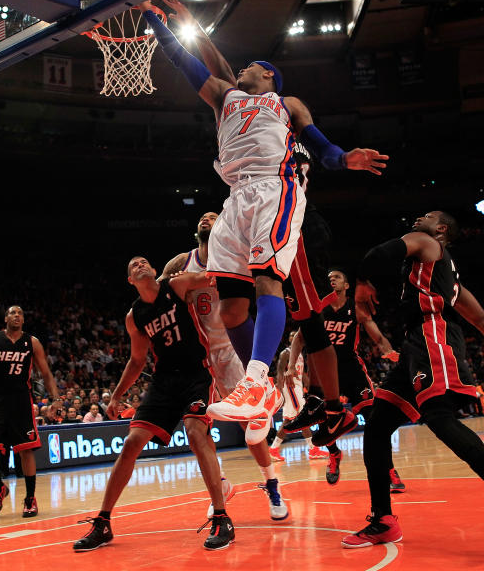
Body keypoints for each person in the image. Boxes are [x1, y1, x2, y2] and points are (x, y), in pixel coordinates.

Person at [141, 0, 386, 432]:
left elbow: (324, 147)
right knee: (231, 310)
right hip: (234, 198)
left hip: (275, 190)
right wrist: (152, 15)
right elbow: (183, 59)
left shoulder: (287, 103)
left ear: (268, 73)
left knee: (272, 282)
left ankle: (260, 383)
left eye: (248, 67)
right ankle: (267, 388)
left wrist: (346, 158)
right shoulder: (223, 94)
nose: (239, 71)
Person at [342, 211, 484, 548]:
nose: (420, 216)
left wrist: (362, 281)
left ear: (441, 229)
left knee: (438, 416)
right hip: (412, 347)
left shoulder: (425, 242)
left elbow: (377, 255)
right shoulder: (448, 279)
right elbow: (483, 318)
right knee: (377, 427)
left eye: (429, 215)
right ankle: (383, 520)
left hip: (430, 335)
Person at [72, 256, 235, 552]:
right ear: (130, 281)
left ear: (155, 271)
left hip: (196, 373)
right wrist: (118, 394)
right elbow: (137, 360)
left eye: (144, 261)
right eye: (133, 265)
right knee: (132, 442)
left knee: (196, 432)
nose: (140, 265)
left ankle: (222, 517)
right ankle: (103, 521)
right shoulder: (134, 316)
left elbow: (212, 276)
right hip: (163, 383)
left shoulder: (176, 285)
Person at [160, 211, 288, 520]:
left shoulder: (236, 256)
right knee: (195, 429)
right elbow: (157, 300)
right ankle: (220, 486)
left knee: (249, 429)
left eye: (214, 215)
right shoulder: (180, 263)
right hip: (198, 356)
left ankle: (271, 483)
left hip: (232, 351)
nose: (206, 217)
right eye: (203, 216)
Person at [303, 269, 404, 488]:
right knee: (321, 424)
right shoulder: (320, 308)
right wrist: (293, 364)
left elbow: (376, 335)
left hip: (352, 370)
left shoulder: (355, 307)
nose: (332, 279)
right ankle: (334, 454)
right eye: (329, 277)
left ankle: (389, 469)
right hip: (325, 372)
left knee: (375, 420)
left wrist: (388, 351)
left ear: (347, 285)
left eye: (337, 277)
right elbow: (302, 337)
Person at [0, 306, 59, 518]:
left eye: (20, 314)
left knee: (26, 450)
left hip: (21, 401)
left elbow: (46, 373)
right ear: (6, 318)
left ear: (24, 320)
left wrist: (57, 399)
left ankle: (30, 498)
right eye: (12, 313)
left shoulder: (32, 342)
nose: (16, 316)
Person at [268, 333, 325, 461]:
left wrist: (311, 386)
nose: (293, 337)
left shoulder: (299, 355)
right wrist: (281, 391)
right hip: (290, 387)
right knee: (302, 417)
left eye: (296, 335)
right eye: (291, 336)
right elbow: (280, 372)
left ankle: (273, 449)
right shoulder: (285, 353)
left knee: (290, 420)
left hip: (297, 387)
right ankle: (313, 449)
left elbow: (302, 374)